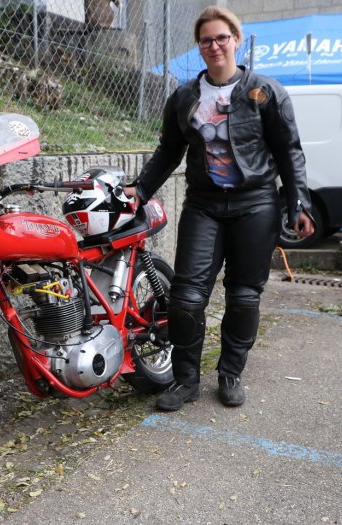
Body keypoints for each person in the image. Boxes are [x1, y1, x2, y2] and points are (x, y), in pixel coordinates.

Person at [124, 5, 315, 411]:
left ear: (236, 40)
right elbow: (169, 151)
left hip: (255, 203)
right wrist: (139, 190)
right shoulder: (185, 97)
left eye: (221, 38)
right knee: (186, 298)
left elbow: (289, 152)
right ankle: (186, 380)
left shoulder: (265, 92)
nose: (214, 46)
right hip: (204, 205)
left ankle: (230, 374)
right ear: (199, 45)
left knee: (244, 296)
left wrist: (299, 204)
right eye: (206, 40)